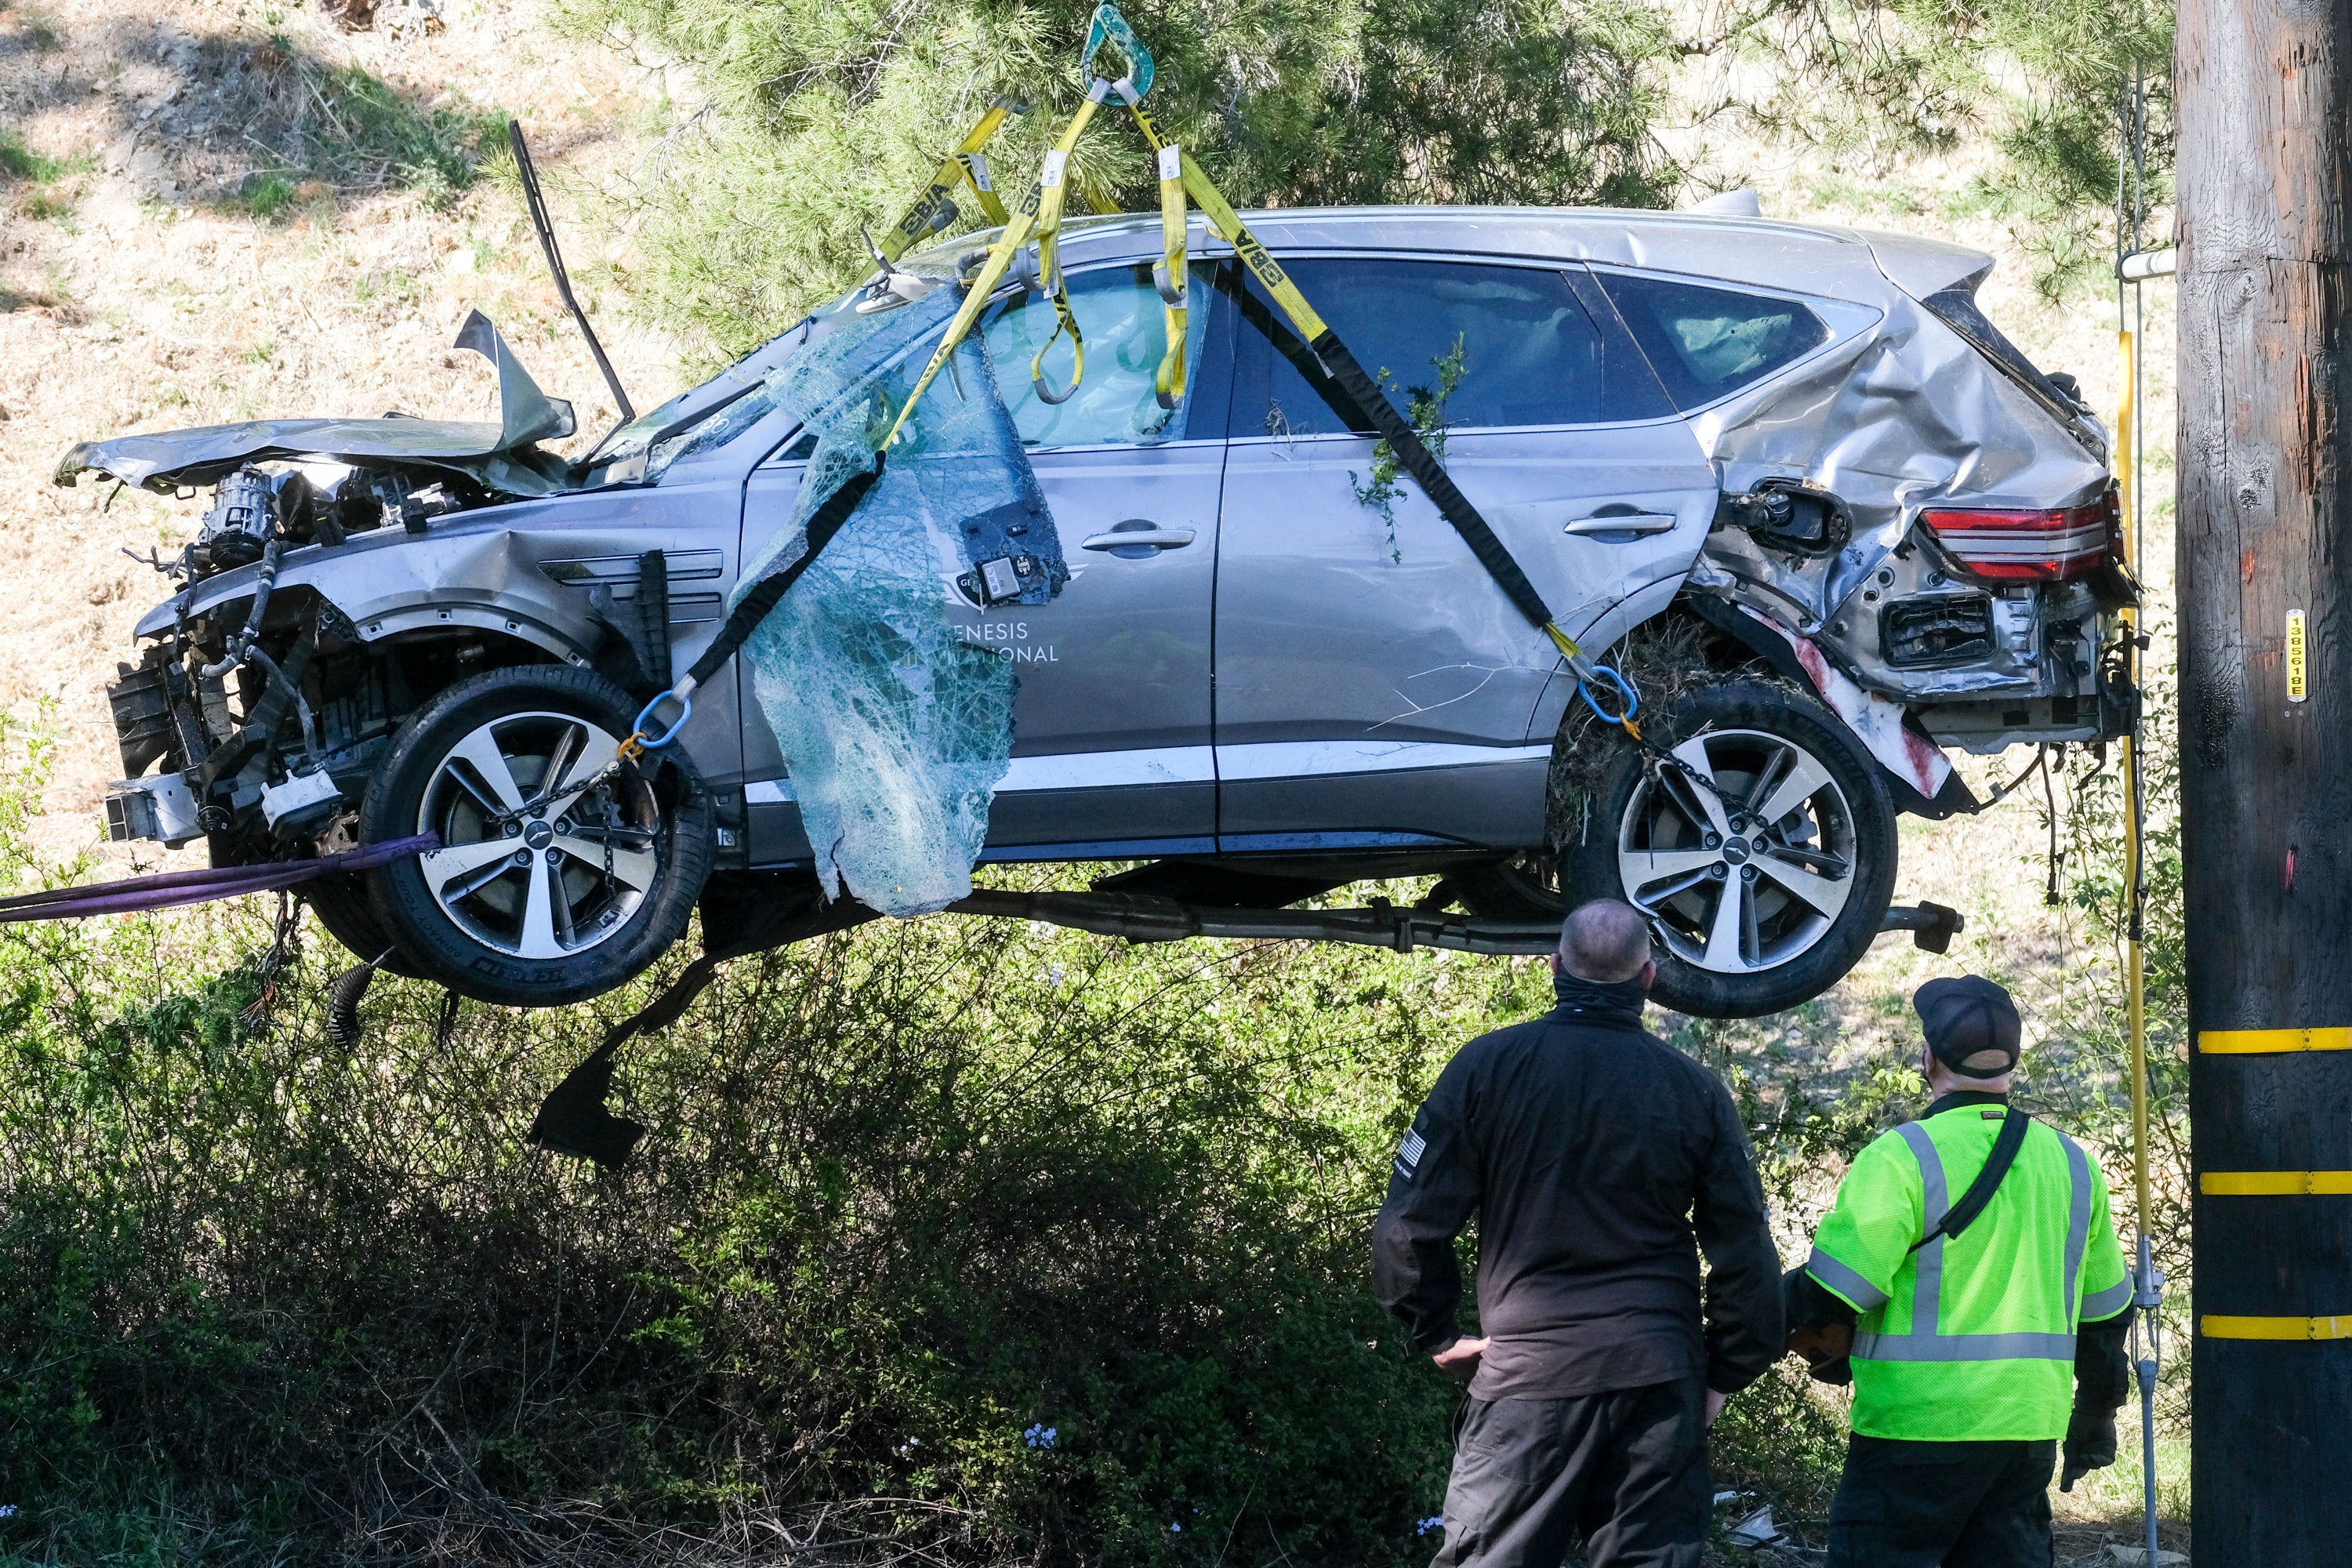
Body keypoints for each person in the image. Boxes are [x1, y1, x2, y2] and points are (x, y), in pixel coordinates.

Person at [1372, 898, 1782, 1568]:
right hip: (1658, 1380)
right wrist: (1727, 1370)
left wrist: (1436, 1334)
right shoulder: (1695, 1090)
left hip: (1526, 1381)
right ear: (1648, 979)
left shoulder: (1485, 1068)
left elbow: (1406, 1225)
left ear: (1554, 968)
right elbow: (1744, 1250)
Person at [1788, 975, 2133, 1568]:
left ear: (1929, 1058)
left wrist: (1738, 1328)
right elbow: (2106, 1316)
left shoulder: (1901, 1157)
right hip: (2024, 1437)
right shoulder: (2074, 1165)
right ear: (2012, 1062)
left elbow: (1832, 1293)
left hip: (1911, 1435)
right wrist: (2095, 1415)